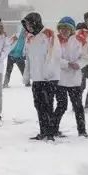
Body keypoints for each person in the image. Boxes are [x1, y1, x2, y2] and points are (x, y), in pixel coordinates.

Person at [23, 12, 60, 141]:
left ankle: (50, 133)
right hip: (37, 78)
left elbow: (53, 55)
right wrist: (27, 75)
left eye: (29, 23)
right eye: (26, 24)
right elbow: (28, 58)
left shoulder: (48, 34)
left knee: (48, 105)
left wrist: (47, 74)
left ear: (36, 22)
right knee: (38, 105)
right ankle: (43, 131)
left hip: (48, 78)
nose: (28, 26)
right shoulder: (29, 38)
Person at [53, 17, 88, 137]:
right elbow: (55, 58)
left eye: (67, 28)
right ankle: (54, 129)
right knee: (61, 106)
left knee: (78, 107)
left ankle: (82, 131)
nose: (64, 31)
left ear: (72, 30)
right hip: (60, 80)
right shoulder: (55, 41)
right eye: (62, 28)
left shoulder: (78, 40)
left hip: (75, 80)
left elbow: (85, 57)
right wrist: (67, 64)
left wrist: (79, 64)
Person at [3, 21, 29, 87]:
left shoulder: (27, 39)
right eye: (24, 31)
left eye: (27, 32)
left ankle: (27, 82)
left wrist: (25, 55)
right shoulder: (16, 36)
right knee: (8, 70)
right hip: (11, 56)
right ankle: (5, 83)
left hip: (19, 57)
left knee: (23, 70)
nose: (25, 33)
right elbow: (8, 43)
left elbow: (27, 49)